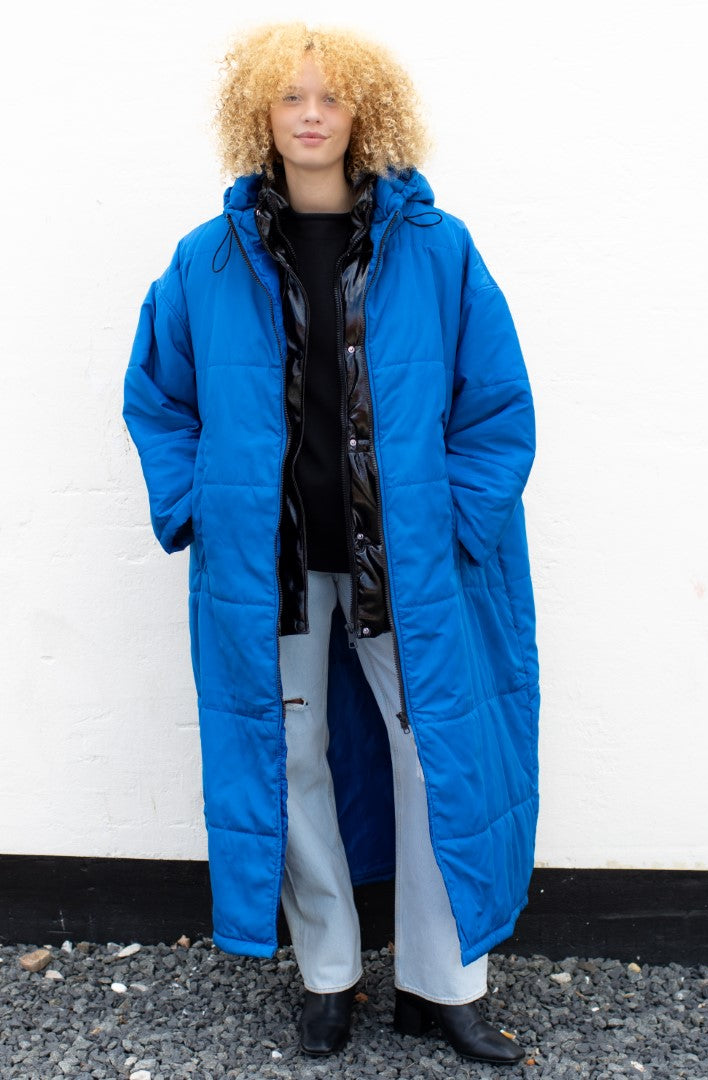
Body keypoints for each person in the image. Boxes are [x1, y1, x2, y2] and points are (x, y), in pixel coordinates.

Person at [122, 21, 540, 1065]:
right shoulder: (207, 260)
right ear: (259, 114)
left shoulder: (436, 250)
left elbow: (495, 408)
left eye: (332, 97)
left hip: (409, 563)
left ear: (366, 113)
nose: (310, 115)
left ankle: (444, 986)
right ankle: (328, 975)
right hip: (271, 566)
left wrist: (458, 530)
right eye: (289, 97)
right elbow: (159, 397)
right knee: (290, 755)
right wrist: (198, 508)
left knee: (433, 755)